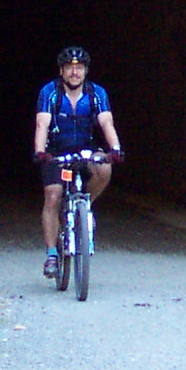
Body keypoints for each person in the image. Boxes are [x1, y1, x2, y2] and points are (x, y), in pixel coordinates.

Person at [33, 47, 122, 279]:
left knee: (104, 168)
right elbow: (42, 123)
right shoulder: (50, 92)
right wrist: (40, 151)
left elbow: (106, 121)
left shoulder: (96, 93)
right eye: (70, 68)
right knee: (53, 195)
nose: (75, 72)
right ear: (62, 71)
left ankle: (84, 206)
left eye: (79, 68)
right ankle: (52, 254)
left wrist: (115, 149)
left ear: (85, 71)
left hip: (85, 146)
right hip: (56, 151)